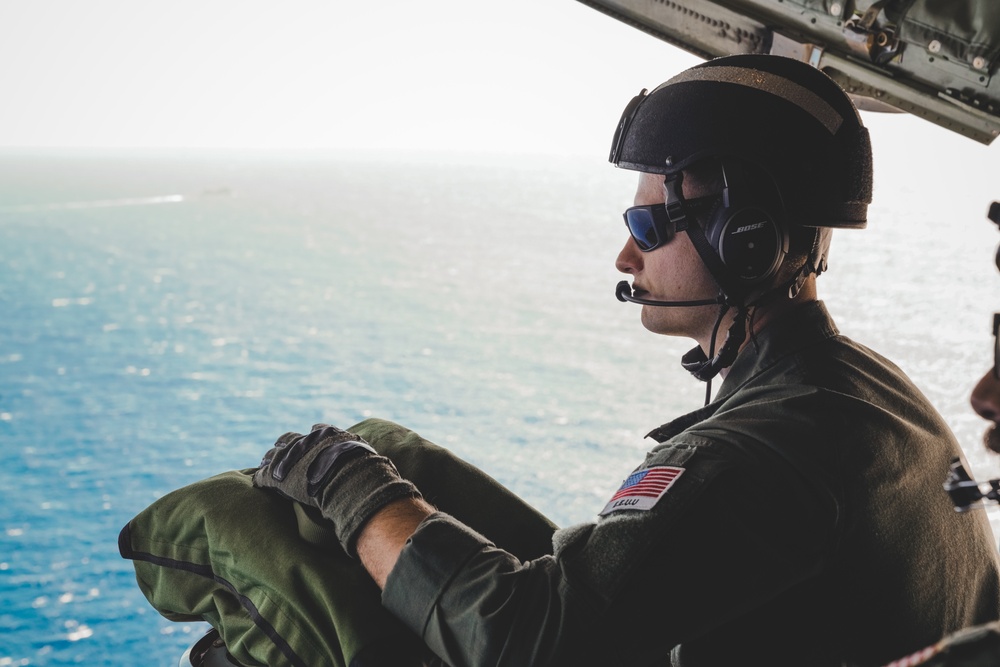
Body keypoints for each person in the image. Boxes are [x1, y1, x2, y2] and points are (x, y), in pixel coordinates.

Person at [252, 55, 1000, 666]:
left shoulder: (756, 453)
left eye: (648, 223)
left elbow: (519, 641)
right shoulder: (870, 389)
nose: (626, 253)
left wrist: (346, 487)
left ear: (746, 240)